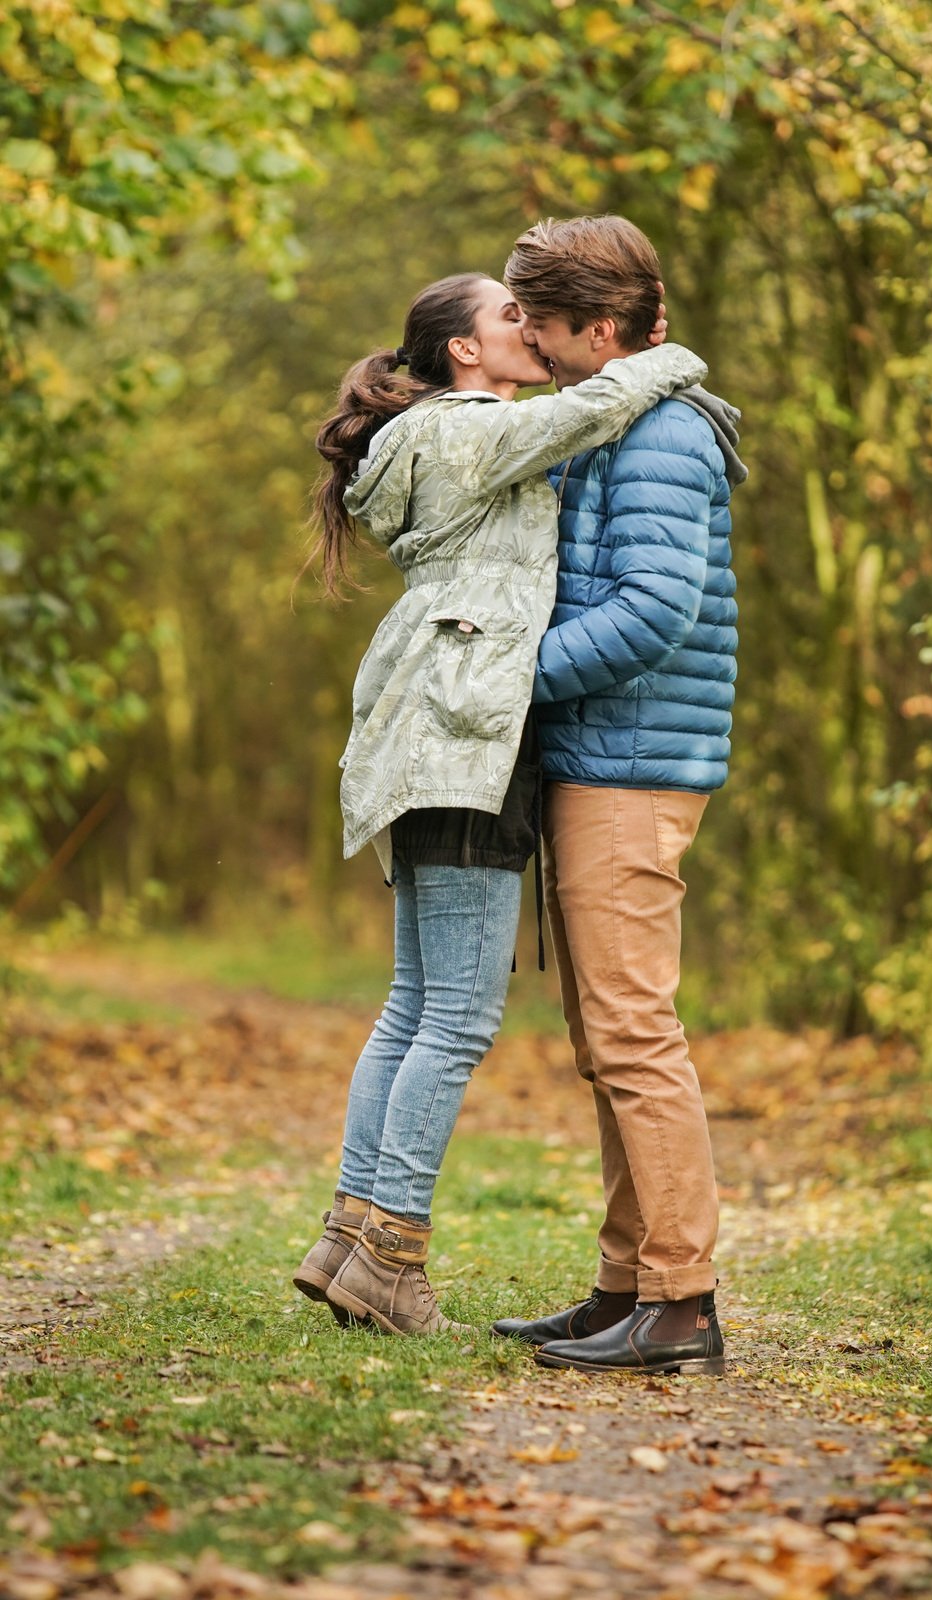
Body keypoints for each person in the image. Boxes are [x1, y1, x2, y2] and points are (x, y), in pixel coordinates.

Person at [292, 269, 707, 1336]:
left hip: (424, 729)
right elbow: (593, 406)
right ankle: (389, 1254)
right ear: (466, 351)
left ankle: (350, 1238)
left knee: (410, 1001)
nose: (527, 330)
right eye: (508, 317)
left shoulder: (432, 435)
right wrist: (665, 356)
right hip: (467, 737)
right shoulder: (469, 425)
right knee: (458, 1014)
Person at [491, 216, 747, 1376]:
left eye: (541, 329)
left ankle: (681, 1301)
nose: (531, 349)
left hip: (628, 766)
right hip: (602, 757)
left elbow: (652, 612)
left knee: (634, 1034)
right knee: (605, 1037)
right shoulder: (612, 421)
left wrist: (502, 682)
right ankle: (624, 1284)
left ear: (600, 331)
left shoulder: (661, 438)